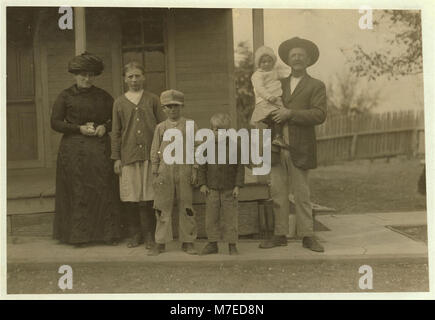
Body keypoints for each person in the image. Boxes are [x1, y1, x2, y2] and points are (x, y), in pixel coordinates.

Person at [259, 37, 327, 252]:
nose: (297, 58)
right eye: (293, 55)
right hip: (277, 147)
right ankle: (280, 234)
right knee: (278, 193)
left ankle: (307, 235)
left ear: (308, 60)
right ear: (288, 60)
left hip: (301, 148)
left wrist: (291, 113)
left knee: (302, 194)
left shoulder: (316, 85)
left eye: (301, 55)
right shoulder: (278, 84)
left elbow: (319, 114)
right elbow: (265, 107)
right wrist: (267, 113)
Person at [51, 52, 121, 247]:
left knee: (103, 187)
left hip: (99, 149)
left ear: (95, 75)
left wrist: (104, 127)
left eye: (90, 74)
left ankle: (108, 234)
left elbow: (116, 119)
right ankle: (79, 236)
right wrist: (78, 128)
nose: (87, 78)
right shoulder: (65, 96)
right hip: (73, 150)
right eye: (82, 74)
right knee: (78, 189)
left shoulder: (103, 96)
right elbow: (55, 123)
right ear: (75, 75)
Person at [111, 61, 166, 250]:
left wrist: (162, 154)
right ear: (125, 79)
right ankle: (135, 233)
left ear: (144, 77)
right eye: (130, 76)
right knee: (131, 196)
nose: (134, 80)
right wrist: (116, 157)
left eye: (137, 76)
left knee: (148, 195)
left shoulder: (152, 99)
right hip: (128, 156)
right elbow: (116, 132)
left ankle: (149, 234)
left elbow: (163, 128)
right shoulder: (119, 102)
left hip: (150, 156)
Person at [148, 89, 199, 256]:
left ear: (181, 106)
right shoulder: (160, 128)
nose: (172, 110)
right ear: (163, 109)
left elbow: (198, 148)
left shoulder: (190, 125)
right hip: (165, 170)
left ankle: (188, 241)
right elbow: (155, 150)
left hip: (184, 169)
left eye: (176, 106)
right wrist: (155, 171)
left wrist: (195, 168)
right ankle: (161, 242)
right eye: (168, 107)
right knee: (162, 206)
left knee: (186, 206)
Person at [198, 113, 245, 255]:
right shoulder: (206, 147)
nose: (218, 133)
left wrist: (237, 186)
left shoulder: (235, 147)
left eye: (222, 130)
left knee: (230, 218)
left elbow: (240, 167)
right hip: (211, 189)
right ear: (211, 130)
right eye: (215, 129)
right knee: (211, 218)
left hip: (229, 189)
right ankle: (213, 243)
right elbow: (202, 167)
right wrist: (202, 184)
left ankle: (232, 244)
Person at [250, 46, 289, 148]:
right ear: (259, 64)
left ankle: (275, 138)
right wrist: (268, 96)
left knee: (279, 118)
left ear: (273, 62)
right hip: (266, 101)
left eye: (269, 61)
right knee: (276, 117)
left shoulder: (274, 72)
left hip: (276, 100)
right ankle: (277, 137)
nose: (267, 64)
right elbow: (259, 88)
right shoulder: (258, 75)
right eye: (263, 62)